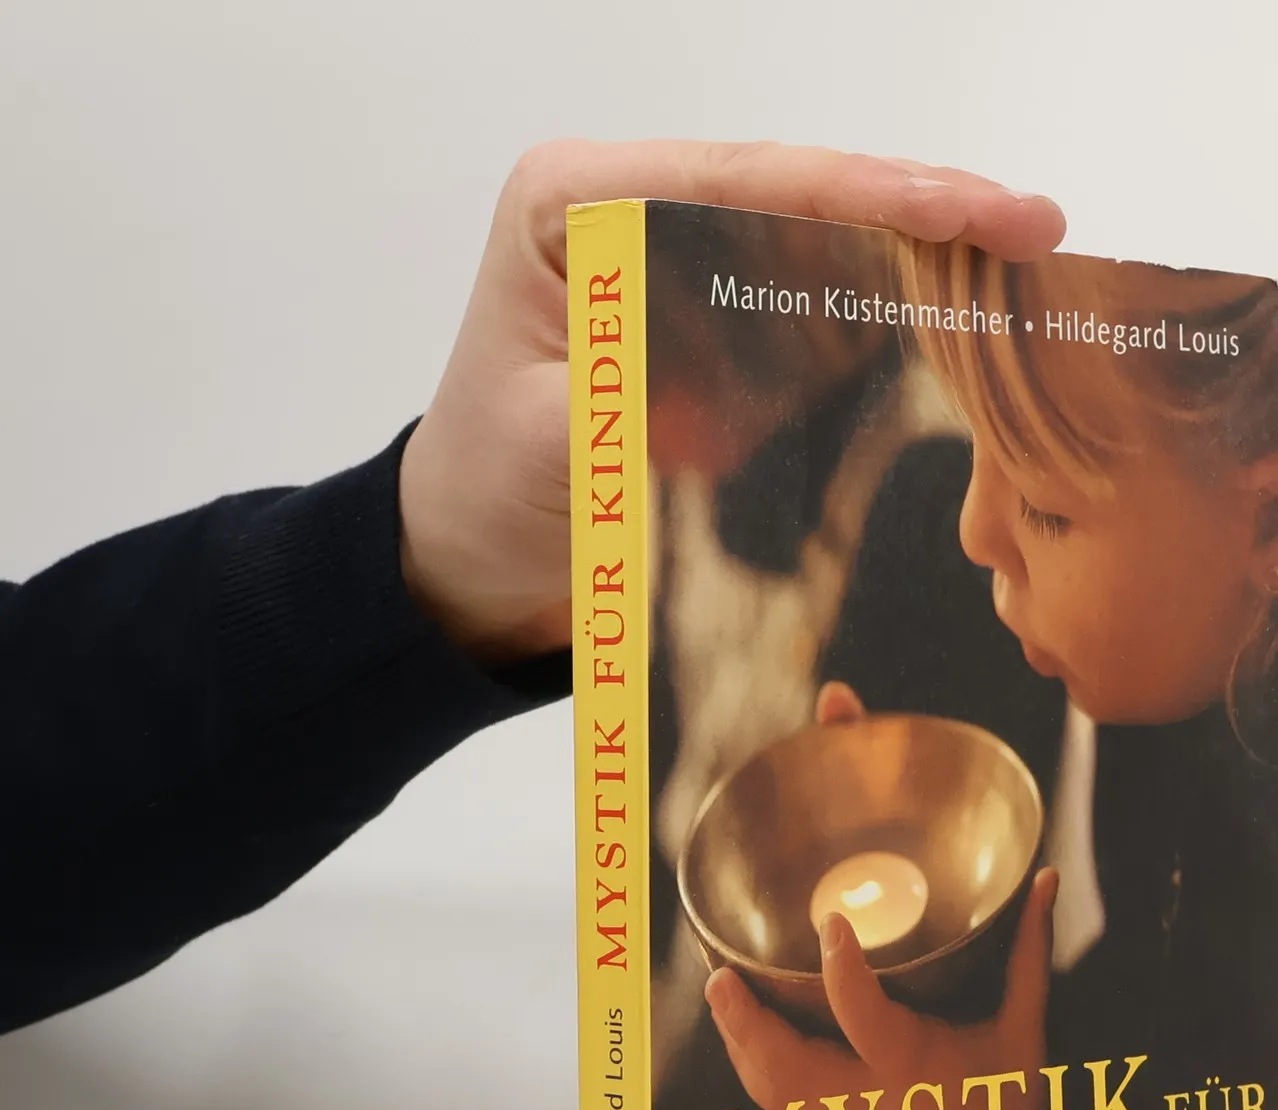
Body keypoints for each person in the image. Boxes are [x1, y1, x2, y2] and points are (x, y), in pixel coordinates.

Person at [0, 141, 1066, 1034]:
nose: (627, 438)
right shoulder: (681, 502)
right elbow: (656, 764)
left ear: (720, 343)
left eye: (653, 378)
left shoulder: (916, 488)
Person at [694, 236, 1278, 1110]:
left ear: (1273, 522)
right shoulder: (1163, 688)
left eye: (1041, 503)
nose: (974, 531)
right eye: (974, 432)